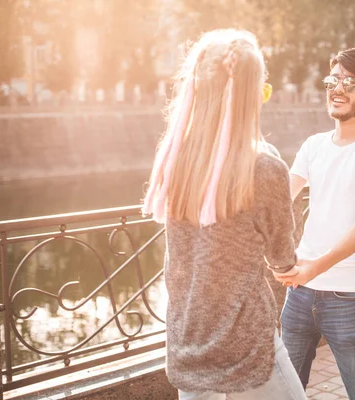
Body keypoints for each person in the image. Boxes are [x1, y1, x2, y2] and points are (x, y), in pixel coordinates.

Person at [142, 29, 307, 400]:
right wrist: (290, 269)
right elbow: (281, 254)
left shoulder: (174, 159)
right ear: (250, 95)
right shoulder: (263, 166)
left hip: (188, 332)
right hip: (242, 338)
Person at [274, 48, 355, 400]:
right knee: (284, 393)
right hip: (299, 293)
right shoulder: (314, 145)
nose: (338, 88)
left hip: (349, 296)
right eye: (333, 80)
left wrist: (313, 268)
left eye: (350, 82)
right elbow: (277, 199)